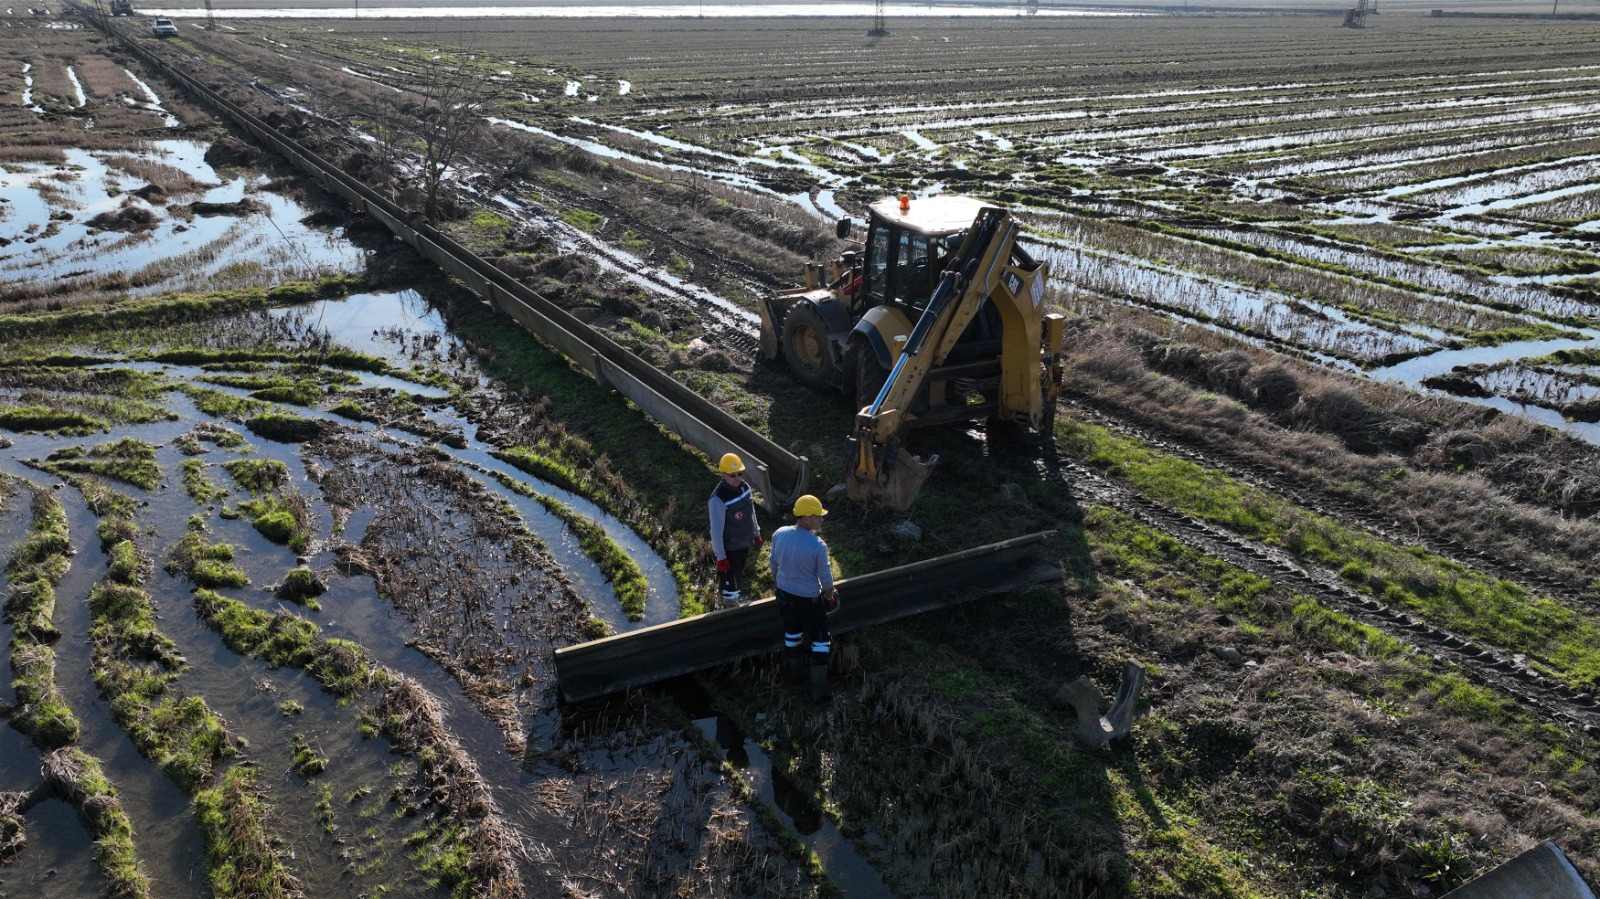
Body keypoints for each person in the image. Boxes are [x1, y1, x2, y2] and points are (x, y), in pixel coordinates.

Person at [769, 494, 836, 701]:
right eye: (818, 516)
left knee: (792, 632)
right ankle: (818, 689)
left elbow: (773, 563)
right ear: (806, 518)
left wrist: (782, 581)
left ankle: (795, 675)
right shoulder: (818, 545)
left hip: (783, 595)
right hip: (808, 600)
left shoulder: (779, 533)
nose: (821, 520)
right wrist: (829, 594)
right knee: (821, 638)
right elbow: (825, 577)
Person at [708, 452, 761, 607]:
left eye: (740, 474)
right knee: (730, 587)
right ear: (723, 474)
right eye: (733, 475)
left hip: (745, 543)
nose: (738, 478)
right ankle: (730, 608)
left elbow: (752, 512)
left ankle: (735, 599)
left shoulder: (745, 487)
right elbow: (716, 532)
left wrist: (756, 532)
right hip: (730, 550)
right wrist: (721, 557)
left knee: (738, 577)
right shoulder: (718, 500)